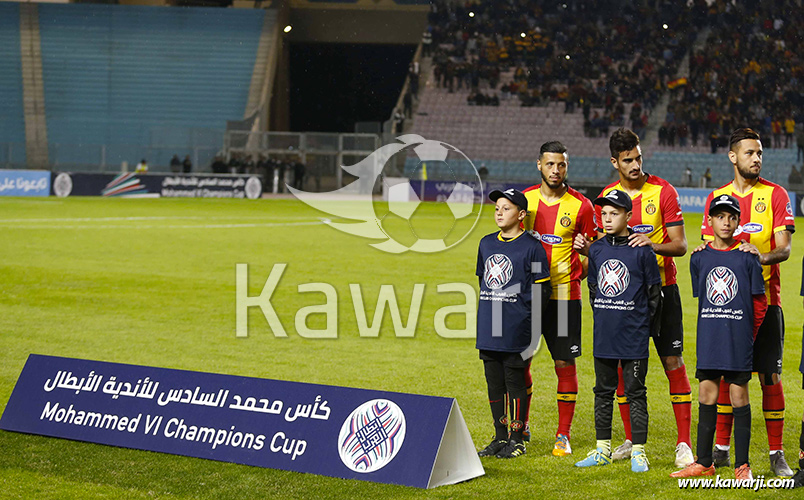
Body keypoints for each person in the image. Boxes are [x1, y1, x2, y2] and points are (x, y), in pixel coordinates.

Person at [577, 128, 693, 467]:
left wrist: (650, 244)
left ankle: (683, 443)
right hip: (625, 299)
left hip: (663, 292)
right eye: (628, 160)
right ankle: (629, 439)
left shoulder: (664, 191)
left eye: (639, 158)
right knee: (621, 364)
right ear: (615, 162)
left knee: (673, 362)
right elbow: (606, 251)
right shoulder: (609, 196)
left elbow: (681, 245)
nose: (636, 165)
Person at [698, 127, 795, 477]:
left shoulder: (776, 194)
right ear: (732, 156)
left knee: (770, 376)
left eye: (760, 154)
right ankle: (721, 449)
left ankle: (776, 452)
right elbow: (711, 250)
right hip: (727, 307)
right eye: (750, 153)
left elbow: (784, 248)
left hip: (766, 303)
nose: (756, 159)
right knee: (726, 375)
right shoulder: (718, 197)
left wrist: (759, 256)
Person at [671, 194, 766, 481]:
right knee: (706, 395)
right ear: (709, 220)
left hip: (738, 341)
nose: (726, 222)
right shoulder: (699, 258)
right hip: (710, 339)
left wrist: (747, 336)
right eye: (720, 216)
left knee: (738, 398)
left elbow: (759, 303)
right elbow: (705, 301)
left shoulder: (749, 258)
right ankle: (704, 462)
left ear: (738, 221)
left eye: (732, 217)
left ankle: (742, 466)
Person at [574, 189, 661, 473]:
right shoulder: (596, 249)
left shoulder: (643, 250)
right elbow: (594, 288)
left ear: (628, 215)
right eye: (604, 214)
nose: (608, 219)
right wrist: (604, 315)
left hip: (634, 335)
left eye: (614, 213)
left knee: (635, 392)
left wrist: (640, 324)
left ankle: (638, 451)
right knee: (602, 391)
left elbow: (653, 293)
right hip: (605, 335)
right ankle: (602, 449)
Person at [522, 141, 596, 456]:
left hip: (565, 296)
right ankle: (519, 426)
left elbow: (594, 256)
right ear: (539, 164)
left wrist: (579, 264)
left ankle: (562, 435)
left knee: (564, 362)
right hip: (526, 296)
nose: (556, 170)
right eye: (550, 164)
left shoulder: (582, 206)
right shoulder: (524, 201)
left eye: (561, 165)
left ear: (567, 166)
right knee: (518, 360)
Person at [475, 188, 551, 459]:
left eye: (506, 208)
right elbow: (484, 281)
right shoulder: (486, 244)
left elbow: (541, 291)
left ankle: (517, 438)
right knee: (493, 382)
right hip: (489, 325)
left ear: (521, 215)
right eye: (497, 208)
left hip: (517, 327)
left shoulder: (532, 247)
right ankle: (499, 436)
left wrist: (530, 324)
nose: (499, 212)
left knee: (514, 381)